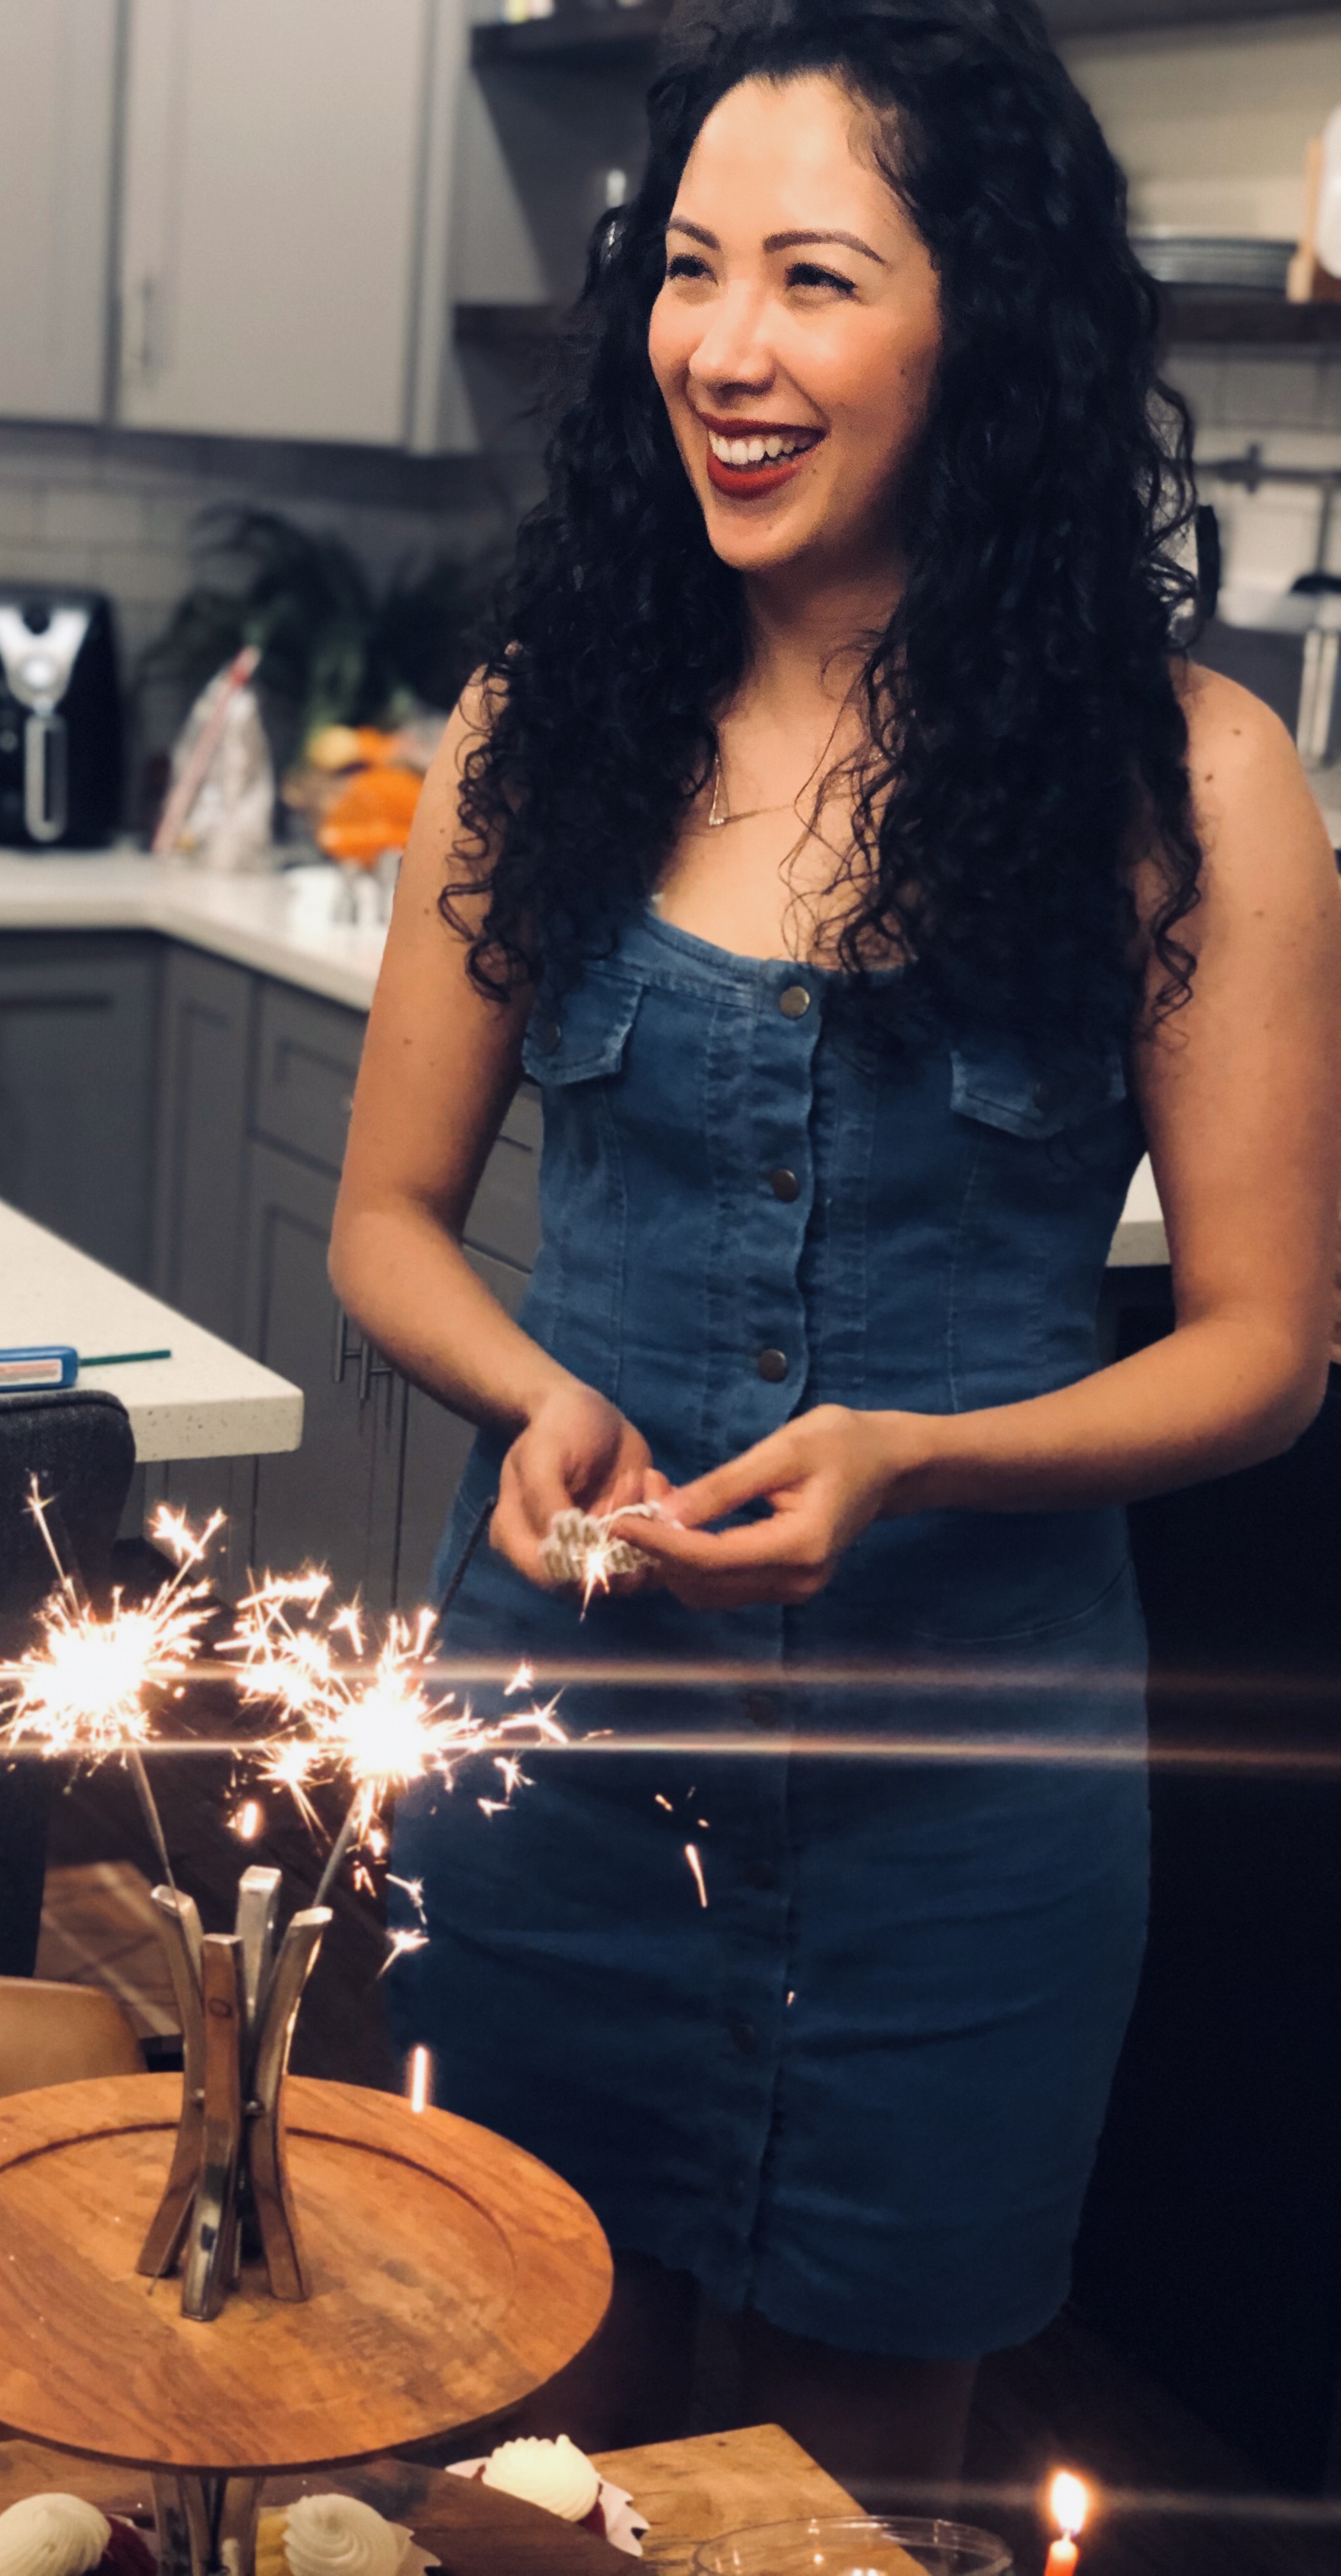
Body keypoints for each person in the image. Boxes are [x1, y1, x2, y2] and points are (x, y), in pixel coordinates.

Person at [328, 0, 1341, 2492]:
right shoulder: (545, 719)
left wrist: (913, 1454)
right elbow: (384, 1225)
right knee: (510, 2485)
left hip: (961, 1827)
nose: (729, 350)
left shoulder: (1189, 781)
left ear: (977, 323)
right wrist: (526, 1391)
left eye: (814, 277)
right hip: (558, 1765)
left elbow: (1266, 1351)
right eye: (690, 273)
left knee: (841, 2519)